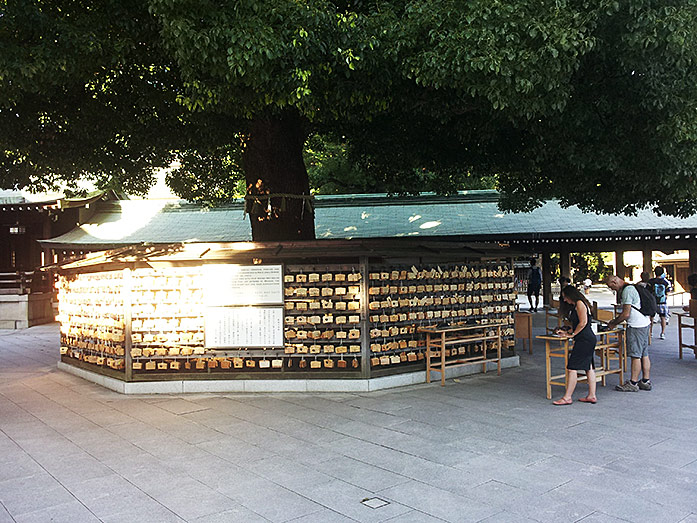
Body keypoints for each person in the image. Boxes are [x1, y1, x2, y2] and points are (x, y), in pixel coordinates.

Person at [605, 274, 652, 392]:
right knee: (644, 353)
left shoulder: (627, 291)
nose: (612, 289)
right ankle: (645, 381)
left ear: (615, 281)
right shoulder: (633, 287)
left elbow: (626, 314)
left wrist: (614, 323)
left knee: (635, 355)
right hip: (645, 322)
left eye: (611, 287)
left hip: (636, 326)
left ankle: (633, 382)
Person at [552, 285, 597, 405]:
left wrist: (572, 335)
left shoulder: (579, 304)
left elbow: (583, 323)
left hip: (584, 339)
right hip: (587, 338)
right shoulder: (579, 304)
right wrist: (569, 332)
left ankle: (567, 397)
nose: (565, 300)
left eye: (565, 297)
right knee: (589, 367)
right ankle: (591, 395)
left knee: (572, 367)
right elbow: (578, 324)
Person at [647, 266, 673, 340]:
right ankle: (662, 333)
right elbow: (668, 292)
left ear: (654, 273)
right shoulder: (665, 282)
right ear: (662, 273)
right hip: (662, 302)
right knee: (663, 318)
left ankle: (650, 332)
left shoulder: (651, 282)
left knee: (651, 318)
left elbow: (648, 291)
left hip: (653, 302)